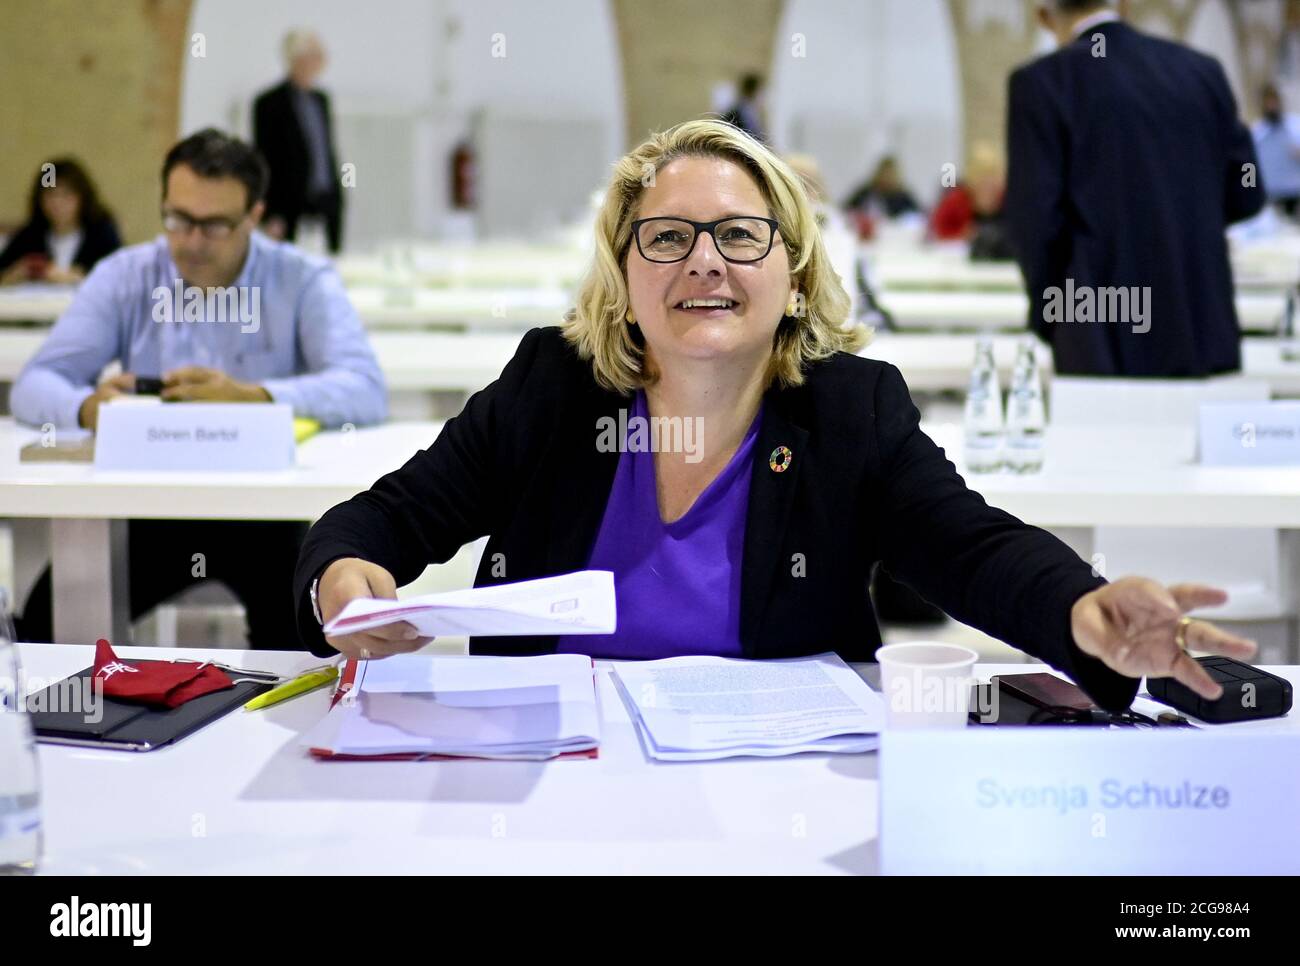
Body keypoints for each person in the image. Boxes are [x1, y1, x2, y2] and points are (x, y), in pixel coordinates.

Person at [294, 119, 1253, 714]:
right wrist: (342, 576)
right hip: (548, 783)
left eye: (739, 236)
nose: (703, 262)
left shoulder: (849, 411)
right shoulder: (553, 390)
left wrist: (1082, 611)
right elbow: (383, 519)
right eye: (666, 238)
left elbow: (971, 548)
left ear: (791, 275)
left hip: (775, 797)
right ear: (626, 282)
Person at [11, 129, 386, 649]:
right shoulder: (127, 275)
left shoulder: (300, 278)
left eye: (213, 225)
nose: (190, 241)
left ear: (254, 215)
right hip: (147, 504)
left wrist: (255, 396)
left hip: (264, 510)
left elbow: (364, 387)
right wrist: (92, 407)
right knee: (48, 622)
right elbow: (34, 383)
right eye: (178, 219)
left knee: (307, 642)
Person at [1005, 0, 1264, 376]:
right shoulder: (1203, 72)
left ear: (1044, 17)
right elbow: (1248, 191)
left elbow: (1034, 220)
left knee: (1104, 436)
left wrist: (1055, 314)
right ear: (1124, 5)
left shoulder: (1043, 82)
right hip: (1200, 320)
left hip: (1098, 327)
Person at [254, 30, 343, 253]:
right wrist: (270, 211)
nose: (320, 62)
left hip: (325, 195)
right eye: (314, 55)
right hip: (288, 201)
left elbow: (324, 149)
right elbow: (264, 158)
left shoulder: (321, 100)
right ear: (296, 59)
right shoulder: (269, 103)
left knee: (328, 260)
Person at [0, 158, 121, 285]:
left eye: (66, 195)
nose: (57, 203)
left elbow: (119, 279)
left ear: (82, 198)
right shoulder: (29, 236)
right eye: (51, 194)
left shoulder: (101, 235)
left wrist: (77, 277)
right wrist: (14, 274)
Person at [930, 144, 1013, 260]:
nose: (988, 181)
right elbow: (938, 233)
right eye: (982, 175)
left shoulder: (1009, 201)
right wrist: (963, 235)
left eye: (992, 174)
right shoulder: (954, 202)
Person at [1251, 83, 1300, 217]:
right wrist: (1248, 189)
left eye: (1274, 102)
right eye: (1268, 103)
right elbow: (1248, 165)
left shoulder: (1295, 127)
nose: (1271, 106)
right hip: (1271, 195)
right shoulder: (1257, 133)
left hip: (1295, 193)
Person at [844, 156, 921, 220]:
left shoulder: (903, 196)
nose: (887, 177)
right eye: (884, 173)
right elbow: (847, 209)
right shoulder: (866, 192)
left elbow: (918, 216)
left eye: (890, 174)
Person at [720, 73, 767, 142]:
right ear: (753, 91)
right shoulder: (736, 112)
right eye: (760, 91)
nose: (762, 96)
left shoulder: (752, 112)